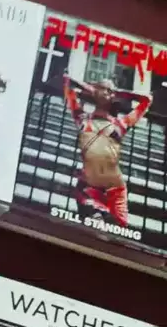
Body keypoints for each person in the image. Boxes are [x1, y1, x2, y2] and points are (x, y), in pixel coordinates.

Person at [64, 73, 151, 228]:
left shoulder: (120, 124)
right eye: (103, 88)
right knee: (94, 226)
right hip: (89, 187)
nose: (107, 92)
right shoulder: (83, 119)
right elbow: (67, 81)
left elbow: (146, 100)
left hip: (116, 190)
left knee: (119, 232)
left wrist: (118, 93)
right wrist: (92, 89)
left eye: (110, 91)